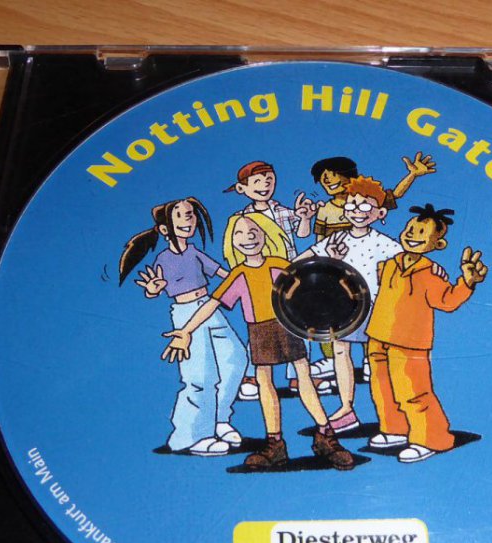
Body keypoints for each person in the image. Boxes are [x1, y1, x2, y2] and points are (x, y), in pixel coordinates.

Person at [161, 213, 355, 471]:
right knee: (265, 383)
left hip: (287, 324)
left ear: (265, 234)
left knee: (304, 377)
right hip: (259, 332)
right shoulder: (238, 274)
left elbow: (307, 275)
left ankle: (325, 435)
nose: (248, 237)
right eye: (239, 233)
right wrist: (186, 330)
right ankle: (275, 443)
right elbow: (212, 304)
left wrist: (331, 259)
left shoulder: (278, 264)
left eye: (253, 230)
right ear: (232, 242)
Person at [119, 197, 248, 456]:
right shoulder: (164, 259)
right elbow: (155, 289)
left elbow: (223, 274)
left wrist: (249, 278)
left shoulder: (194, 252)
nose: (189, 219)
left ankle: (219, 419)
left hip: (210, 307)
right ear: (164, 229)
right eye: (180, 215)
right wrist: (153, 290)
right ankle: (190, 436)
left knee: (236, 359)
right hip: (185, 312)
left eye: (191, 214)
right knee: (200, 375)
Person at [365, 204, 489, 463]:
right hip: (378, 335)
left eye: (422, 233)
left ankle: (431, 438)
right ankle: (395, 429)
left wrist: (467, 282)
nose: (412, 235)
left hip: (409, 342)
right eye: (410, 229)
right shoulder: (389, 265)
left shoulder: (429, 273)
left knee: (413, 392)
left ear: (438, 244)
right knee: (382, 386)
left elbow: (447, 301)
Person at [307, 153, 437, 382]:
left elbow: (394, 196)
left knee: (372, 322)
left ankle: (371, 358)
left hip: (369, 278)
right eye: (324, 178)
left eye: (333, 176)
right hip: (338, 272)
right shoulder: (326, 210)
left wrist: (412, 175)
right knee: (333, 323)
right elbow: (318, 243)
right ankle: (332, 361)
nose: (328, 181)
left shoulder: (366, 197)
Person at [294, 176, 401, 433]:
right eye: (352, 205)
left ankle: (390, 413)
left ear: (380, 213)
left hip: (374, 307)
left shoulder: (382, 241)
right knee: (341, 351)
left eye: (365, 206)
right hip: (345, 307)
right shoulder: (337, 239)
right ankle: (346, 408)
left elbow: (408, 261)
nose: (357, 211)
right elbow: (304, 258)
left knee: (378, 357)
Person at [223, 161, 329, 399]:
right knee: (261, 328)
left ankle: (298, 376)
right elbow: (235, 251)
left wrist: (305, 218)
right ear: (242, 188)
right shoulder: (242, 219)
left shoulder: (281, 211)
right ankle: (252, 376)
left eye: (269, 180)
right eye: (257, 181)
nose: (264, 185)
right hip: (260, 279)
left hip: (289, 275)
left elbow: (302, 233)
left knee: (300, 323)